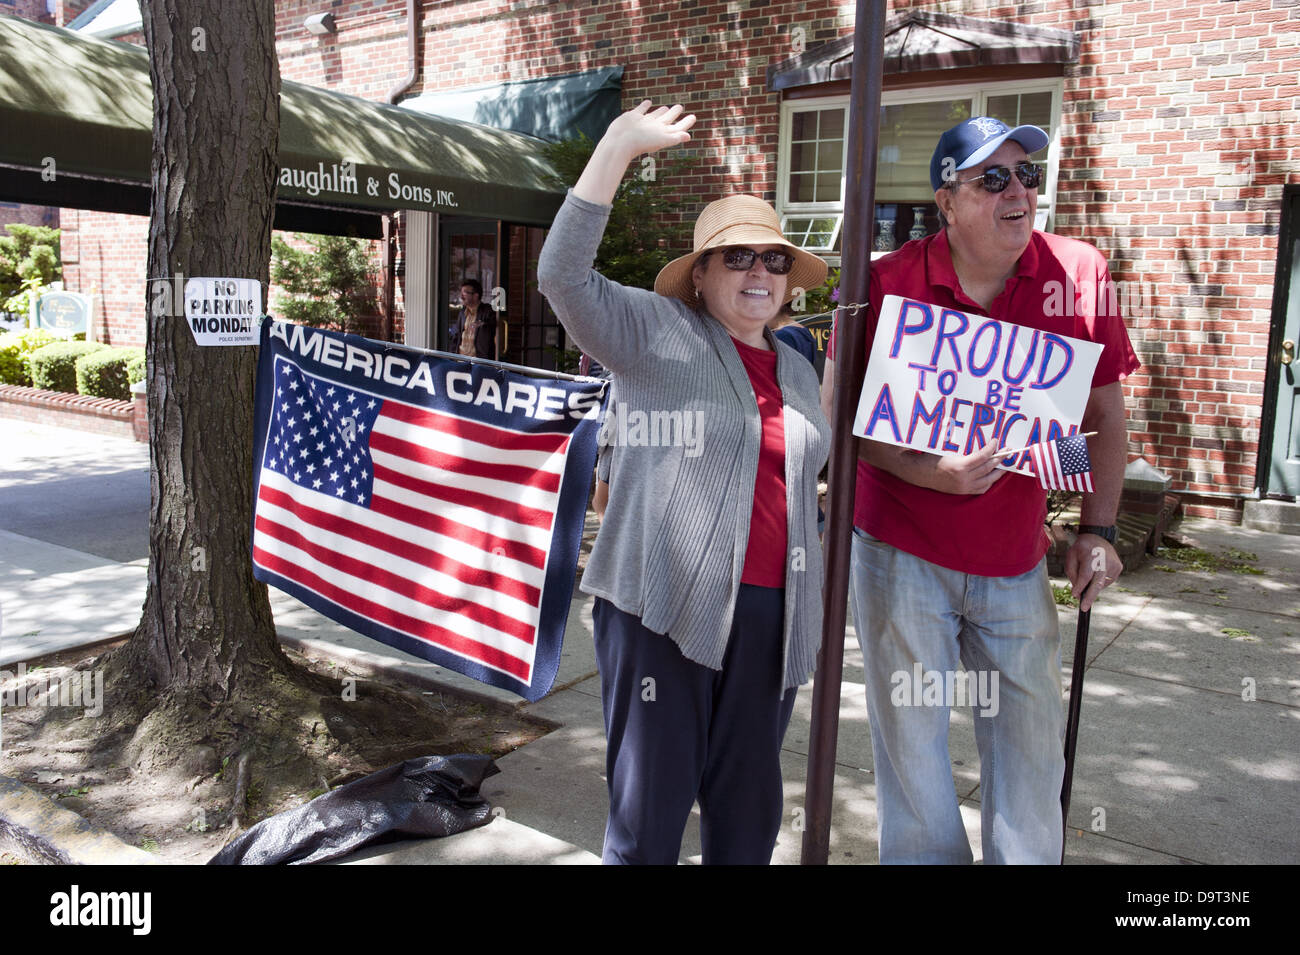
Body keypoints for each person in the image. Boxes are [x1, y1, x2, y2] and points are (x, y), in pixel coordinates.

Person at [823, 116, 1140, 864]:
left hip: (1014, 558)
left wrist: (1098, 529)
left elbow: (1095, 418)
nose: (1018, 191)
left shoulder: (1078, 275)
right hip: (899, 550)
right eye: (992, 178)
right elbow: (838, 420)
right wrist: (931, 471)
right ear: (947, 199)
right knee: (913, 747)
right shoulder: (885, 281)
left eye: (1028, 174)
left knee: (1032, 752)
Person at [537, 101, 830, 865]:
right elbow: (561, 275)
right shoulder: (652, 332)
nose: (757, 272)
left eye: (772, 259)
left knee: (748, 817)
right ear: (699, 276)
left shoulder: (800, 367)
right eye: (735, 258)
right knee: (650, 818)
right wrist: (615, 149)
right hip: (661, 606)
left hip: (771, 616)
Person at [449, 278, 498, 359]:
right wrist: (452, 356)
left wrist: (480, 323)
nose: (461, 297)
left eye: (464, 293)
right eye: (461, 293)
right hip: (460, 360)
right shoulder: (462, 313)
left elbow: (493, 324)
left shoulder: (487, 310)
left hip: (478, 362)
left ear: (475, 296)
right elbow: (456, 337)